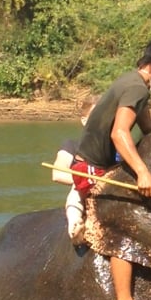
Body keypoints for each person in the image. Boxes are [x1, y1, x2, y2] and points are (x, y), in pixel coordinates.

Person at [69, 36, 151, 300]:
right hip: (91, 170)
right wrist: (143, 172)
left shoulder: (134, 82)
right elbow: (120, 134)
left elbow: (147, 126)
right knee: (127, 222)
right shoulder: (136, 88)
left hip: (97, 164)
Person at [51, 94, 98, 236]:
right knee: (76, 188)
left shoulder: (118, 147)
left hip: (111, 190)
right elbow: (57, 173)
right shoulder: (72, 146)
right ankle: (75, 224)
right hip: (83, 191)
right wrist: (90, 180)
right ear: (84, 120)